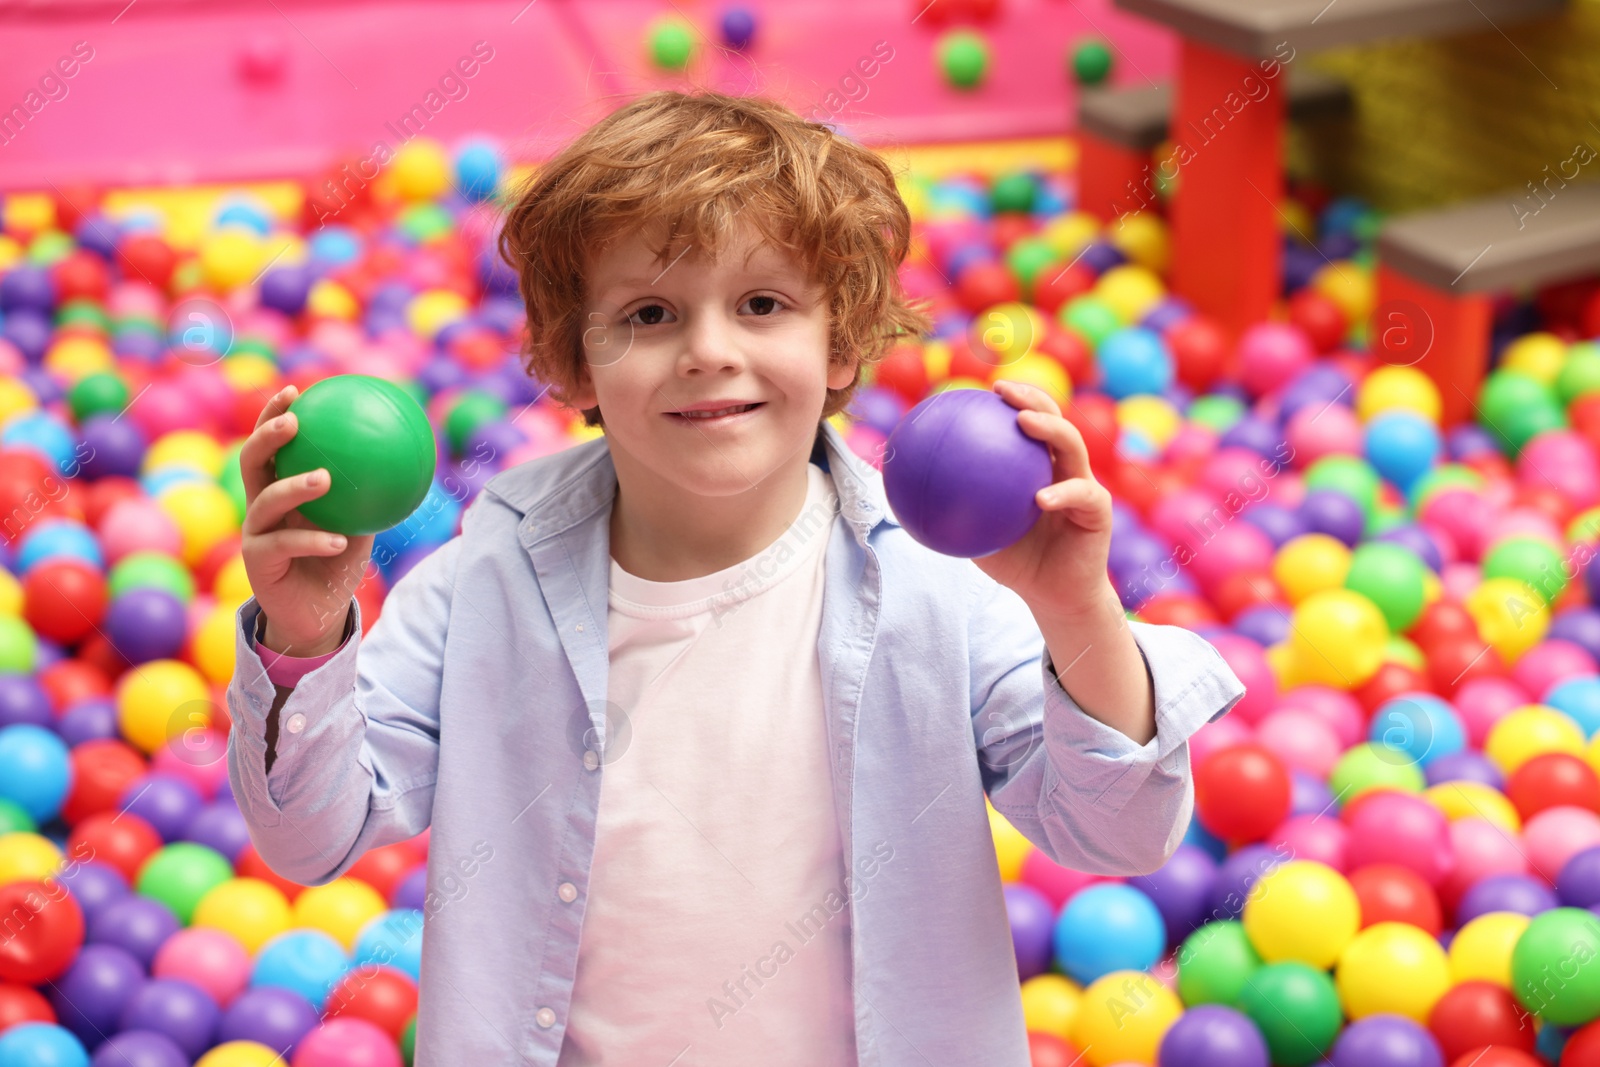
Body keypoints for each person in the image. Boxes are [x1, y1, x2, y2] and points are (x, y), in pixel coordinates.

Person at [226, 89, 1245, 1067]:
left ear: (839, 342)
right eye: (650, 314)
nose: (709, 351)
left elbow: (1119, 830)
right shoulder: (484, 580)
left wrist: (1073, 610)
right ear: (574, 361)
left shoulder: (936, 582)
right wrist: (304, 636)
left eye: (762, 303)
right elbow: (312, 836)